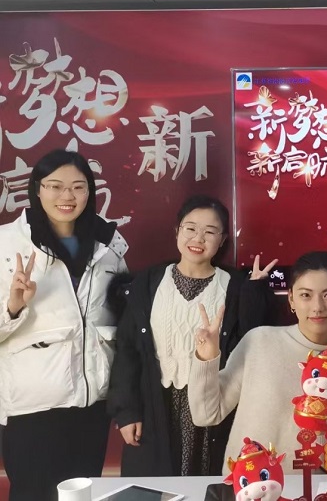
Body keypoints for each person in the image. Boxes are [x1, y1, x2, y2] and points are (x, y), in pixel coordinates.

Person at [107, 195, 280, 477]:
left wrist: (255, 293)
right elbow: (127, 350)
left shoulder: (236, 286)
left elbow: (254, 346)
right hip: (156, 404)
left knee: (207, 481)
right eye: (190, 228)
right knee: (156, 485)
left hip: (213, 405)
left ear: (222, 240)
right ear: (177, 230)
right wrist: (127, 412)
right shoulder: (147, 283)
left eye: (210, 232)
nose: (198, 238)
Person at [0, 149, 128, 501]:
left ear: (90, 192)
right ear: (37, 189)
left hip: (92, 405)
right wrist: (13, 306)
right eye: (55, 186)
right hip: (33, 407)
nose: (67, 196)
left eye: (78, 187)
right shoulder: (6, 244)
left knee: (84, 495)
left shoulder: (108, 246)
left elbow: (120, 320)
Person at [188, 250, 327, 472]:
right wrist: (206, 357)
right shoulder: (259, 341)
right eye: (306, 295)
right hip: (246, 485)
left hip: (308, 487)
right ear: (291, 298)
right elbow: (206, 414)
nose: (318, 307)